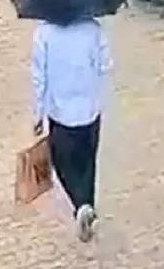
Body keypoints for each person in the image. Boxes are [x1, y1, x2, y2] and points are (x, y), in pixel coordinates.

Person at [30, 17, 111, 242]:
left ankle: (80, 204)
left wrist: (38, 113)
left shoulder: (43, 34)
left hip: (60, 112)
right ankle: (87, 206)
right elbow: (105, 65)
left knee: (62, 162)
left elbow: (39, 77)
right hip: (90, 108)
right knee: (88, 161)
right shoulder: (94, 29)